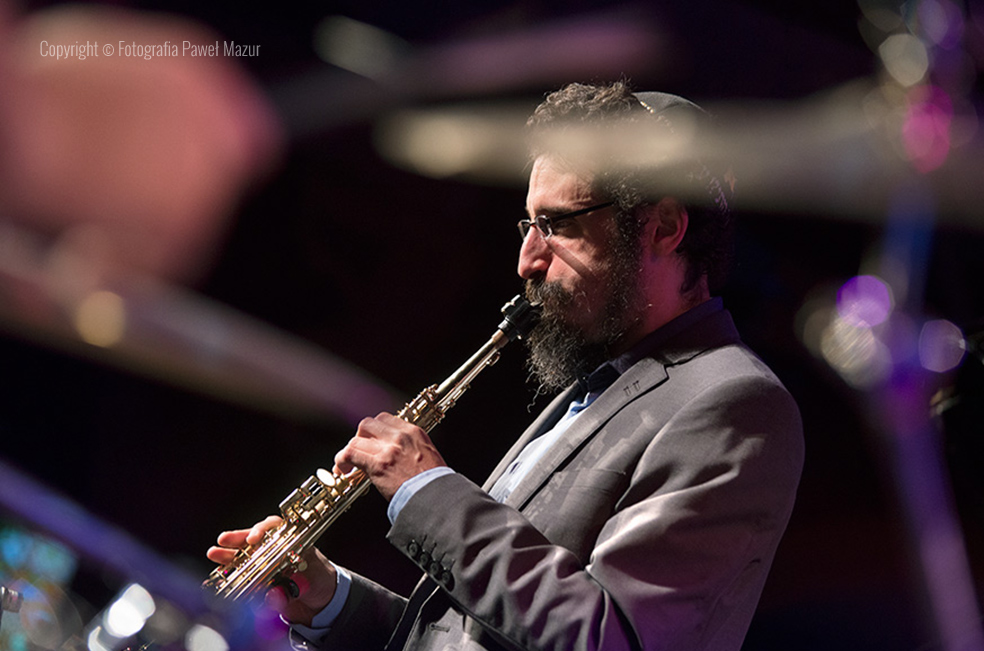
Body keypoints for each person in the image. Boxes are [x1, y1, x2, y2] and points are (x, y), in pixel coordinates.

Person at [208, 80, 805, 651]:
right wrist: (328, 599)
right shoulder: (594, 392)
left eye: (557, 225)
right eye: (529, 225)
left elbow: (610, 638)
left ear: (664, 228)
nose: (527, 261)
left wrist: (426, 490)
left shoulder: (733, 402)